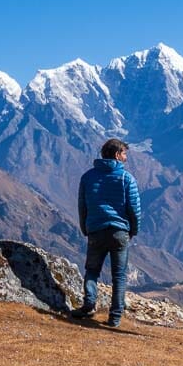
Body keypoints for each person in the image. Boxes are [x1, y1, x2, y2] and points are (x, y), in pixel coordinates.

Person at [72, 138, 141, 327]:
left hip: (96, 229)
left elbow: (82, 205)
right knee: (119, 275)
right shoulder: (127, 179)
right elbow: (134, 208)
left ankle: (88, 305)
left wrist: (85, 227)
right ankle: (115, 316)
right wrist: (133, 229)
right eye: (125, 154)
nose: (126, 158)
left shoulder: (87, 177)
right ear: (117, 155)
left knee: (92, 269)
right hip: (120, 231)